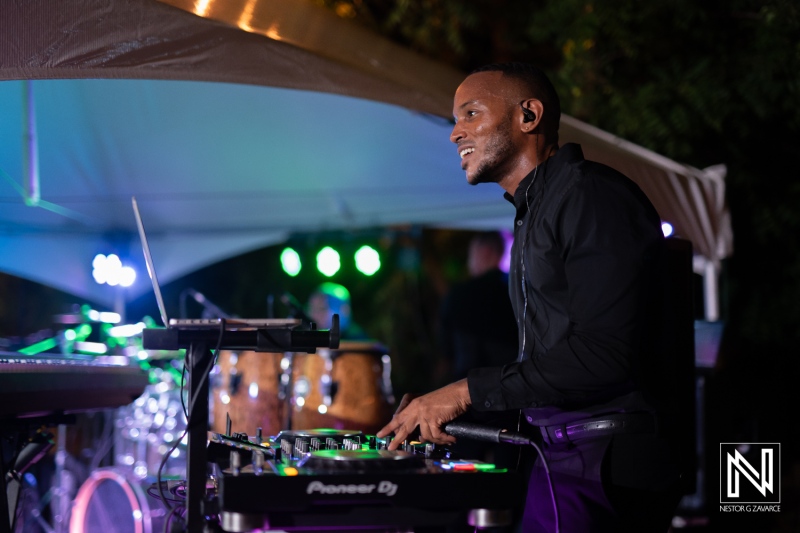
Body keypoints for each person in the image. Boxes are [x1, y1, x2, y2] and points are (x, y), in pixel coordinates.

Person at [377, 63, 686, 532]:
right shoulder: (536, 210)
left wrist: (464, 392)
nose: (455, 133)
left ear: (529, 115)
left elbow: (603, 355)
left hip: (601, 464)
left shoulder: (589, 196)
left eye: (471, 114)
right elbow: (551, 359)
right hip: (560, 457)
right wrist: (462, 404)